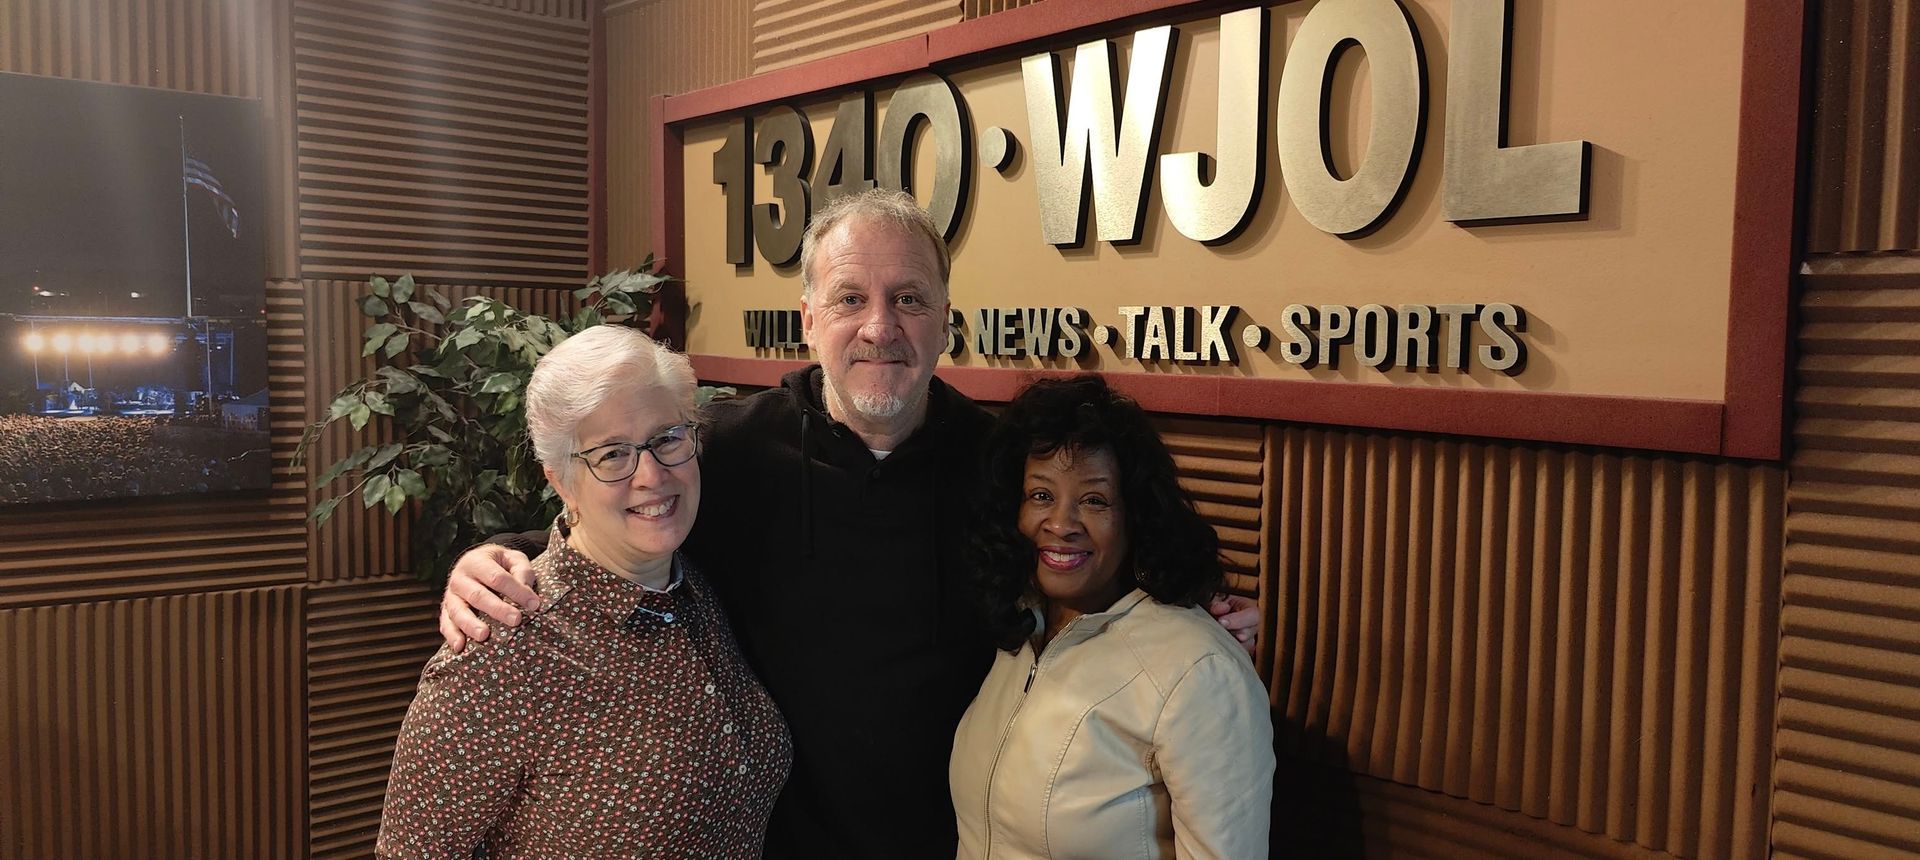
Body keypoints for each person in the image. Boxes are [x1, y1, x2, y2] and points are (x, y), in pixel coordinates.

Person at [435, 189, 1262, 858]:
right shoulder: (727, 448)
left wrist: (1194, 617)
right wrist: (496, 555)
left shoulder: (1003, 463)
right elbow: (621, 514)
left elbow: (1094, 566)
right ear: (807, 318)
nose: (881, 327)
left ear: (945, 318)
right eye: (851, 299)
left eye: (908, 299)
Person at [376, 325, 791, 858]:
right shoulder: (500, 654)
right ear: (559, 479)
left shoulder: (699, 590)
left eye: (667, 438)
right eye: (612, 453)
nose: (651, 474)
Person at [952, 375, 1274, 859]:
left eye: (1094, 500)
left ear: (1136, 516)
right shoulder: (1020, 626)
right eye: (1041, 495)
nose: (1061, 523)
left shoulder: (1200, 671)